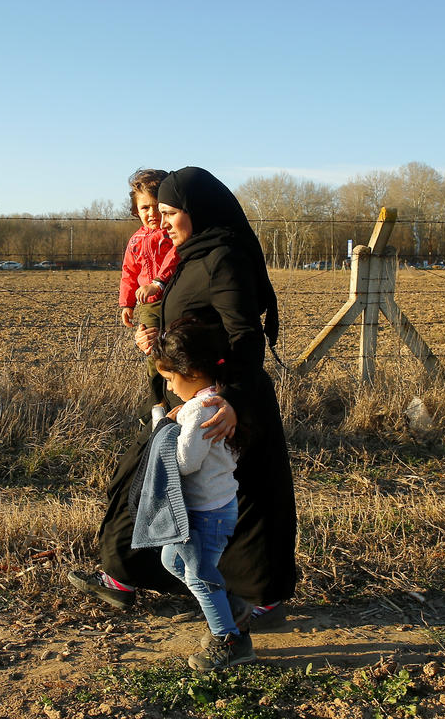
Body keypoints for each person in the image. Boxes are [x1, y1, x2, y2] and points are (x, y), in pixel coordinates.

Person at [69, 165, 297, 629]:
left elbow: (245, 338)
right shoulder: (192, 255)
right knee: (156, 478)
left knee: (250, 498)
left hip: (229, 401)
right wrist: (153, 336)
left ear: (198, 211)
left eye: (172, 212)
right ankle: (127, 574)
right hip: (191, 394)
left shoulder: (223, 258)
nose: (164, 221)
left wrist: (231, 400)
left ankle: (262, 599)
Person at [132, 316, 254, 670]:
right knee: (173, 561)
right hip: (206, 506)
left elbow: (185, 462)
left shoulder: (202, 409)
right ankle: (232, 608)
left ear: (192, 372)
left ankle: (229, 641)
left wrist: (165, 428)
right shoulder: (204, 402)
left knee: (200, 575)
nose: (169, 388)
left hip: (207, 512)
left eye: (170, 379)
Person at [118, 168, 176, 405]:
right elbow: (129, 273)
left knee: (174, 347)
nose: (151, 213)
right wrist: (127, 303)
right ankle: (157, 400)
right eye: (144, 207)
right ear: (135, 210)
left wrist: (157, 282)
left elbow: (176, 257)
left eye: (156, 206)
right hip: (149, 306)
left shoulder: (171, 234)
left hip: (171, 297)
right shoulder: (135, 240)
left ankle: (177, 396)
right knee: (152, 350)